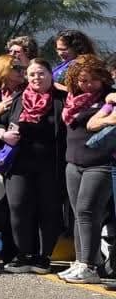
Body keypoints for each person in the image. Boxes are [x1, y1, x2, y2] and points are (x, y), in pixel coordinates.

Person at [0, 58, 64, 275]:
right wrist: (2, 133)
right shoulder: (18, 98)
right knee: (18, 207)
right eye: (32, 74)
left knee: (48, 210)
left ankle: (43, 257)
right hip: (19, 164)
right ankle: (22, 254)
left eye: (41, 73)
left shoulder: (60, 99)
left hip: (50, 165)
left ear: (51, 75)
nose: (37, 78)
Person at [60, 56, 116, 283]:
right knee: (78, 215)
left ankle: (89, 266)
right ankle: (80, 261)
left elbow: (96, 124)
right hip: (73, 162)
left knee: (87, 212)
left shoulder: (109, 97)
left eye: (94, 80)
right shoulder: (72, 99)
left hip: (100, 163)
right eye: (83, 80)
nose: (89, 84)